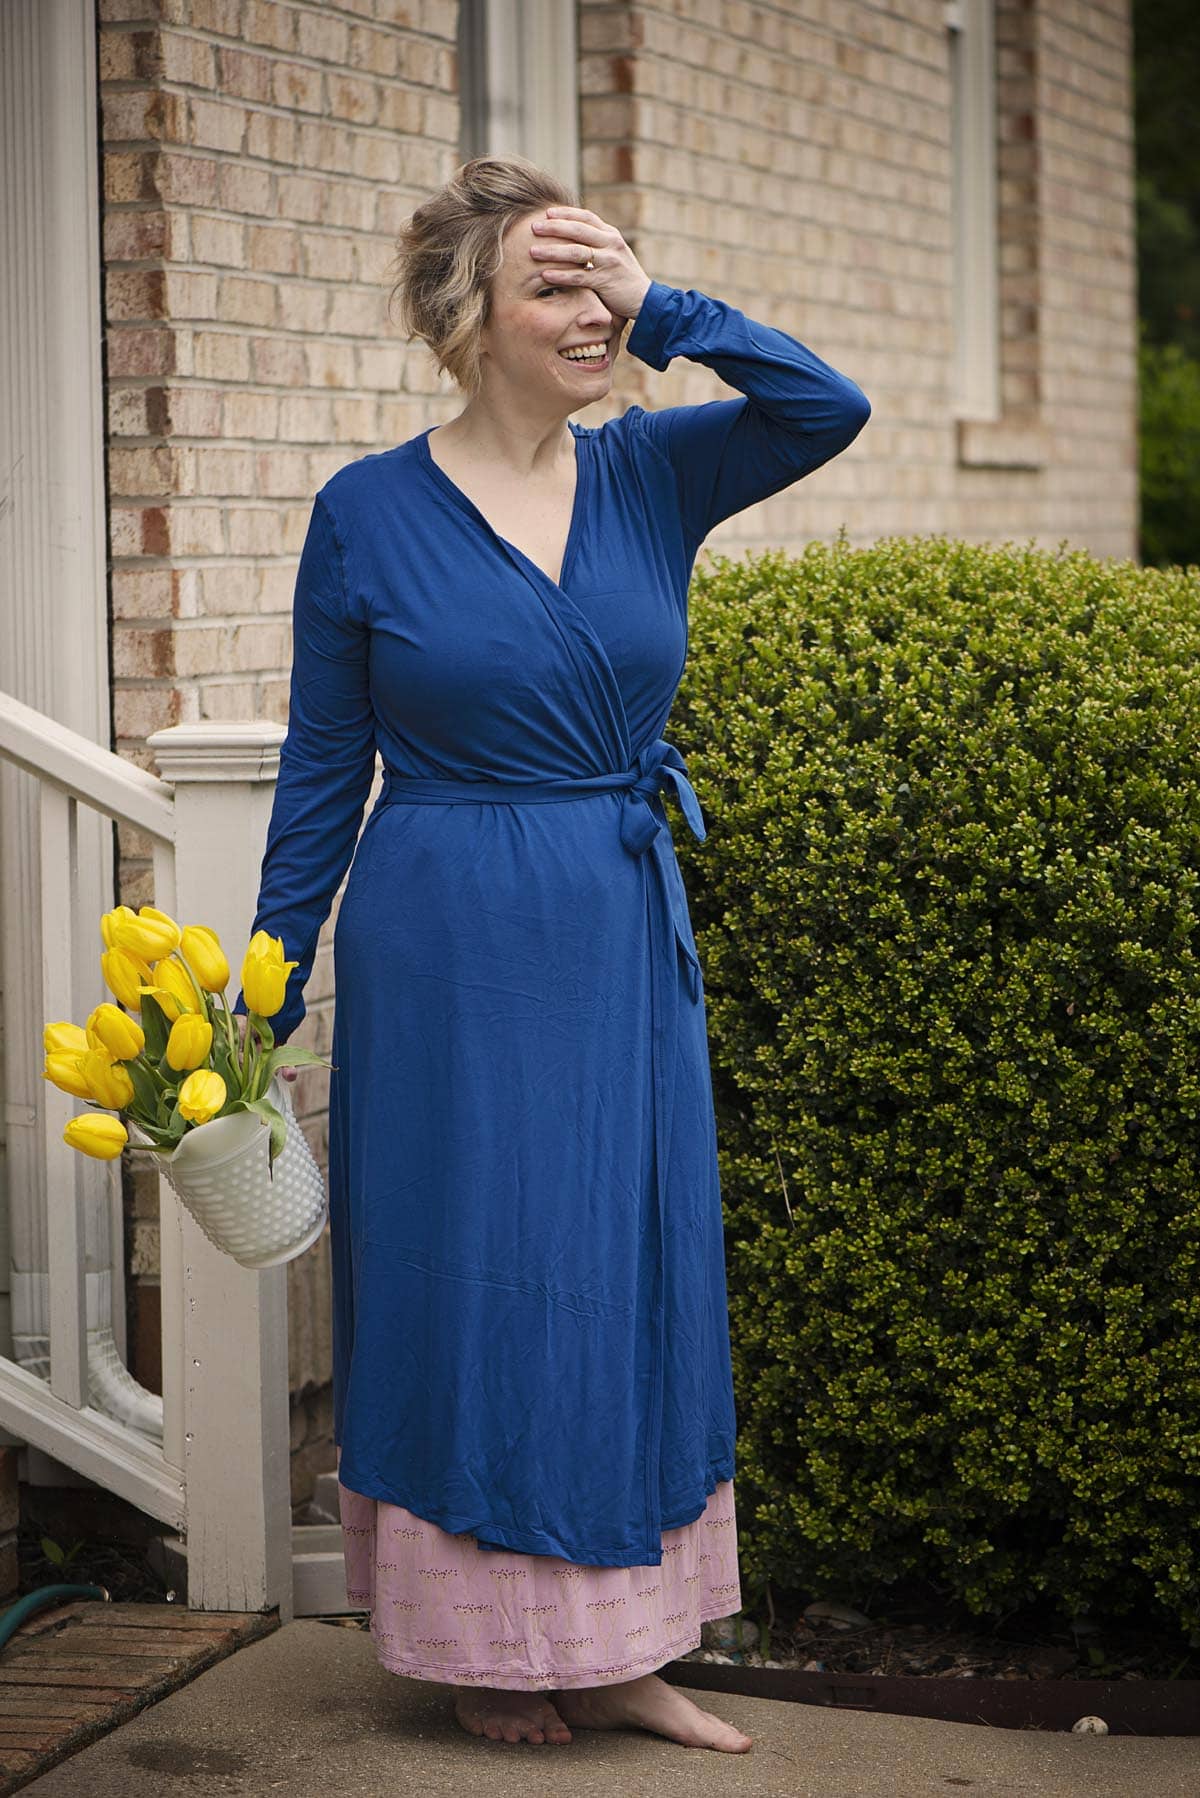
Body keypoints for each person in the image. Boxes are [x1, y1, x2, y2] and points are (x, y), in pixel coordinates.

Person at [233, 154, 870, 1753]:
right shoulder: (366, 512)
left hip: (612, 918)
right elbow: (322, 772)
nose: (595, 313)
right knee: (470, 1266)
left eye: (609, 279)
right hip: (445, 935)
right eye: (557, 284)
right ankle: (486, 1645)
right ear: (470, 320)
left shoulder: (657, 470)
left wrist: (670, 308)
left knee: (615, 1265)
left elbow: (828, 405)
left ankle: (622, 1649)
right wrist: (264, 989)